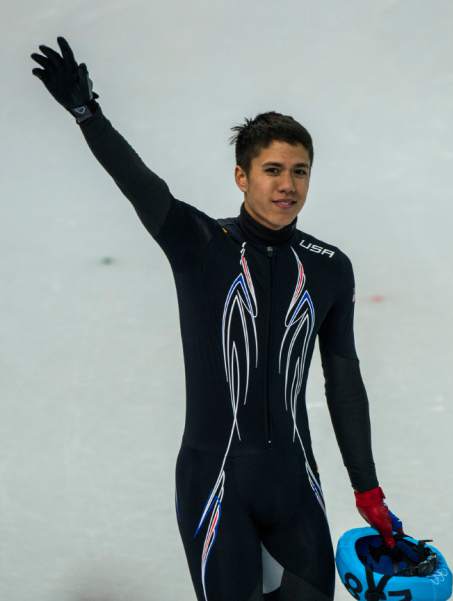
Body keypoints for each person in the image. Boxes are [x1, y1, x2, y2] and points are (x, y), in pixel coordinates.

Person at [31, 36, 403, 601]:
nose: (287, 185)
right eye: (273, 169)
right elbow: (140, 184)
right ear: (242, 177)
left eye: (300, 171)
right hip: (217, 483)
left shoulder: (330, 268)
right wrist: (89, 115)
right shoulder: (200, 244)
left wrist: (367, 490)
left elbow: (344, 382)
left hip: (297, 488)